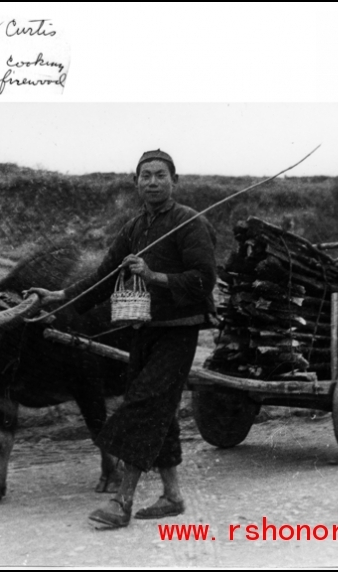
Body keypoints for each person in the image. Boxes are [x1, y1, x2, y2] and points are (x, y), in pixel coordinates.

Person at [28, 149, 217, 528]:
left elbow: (203, 280)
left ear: (174, 181)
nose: (151, 182)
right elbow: (102, 278)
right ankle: (173, 495)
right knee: (158, 409)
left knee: (143, 405)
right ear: (135, 182)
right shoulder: (134, 228)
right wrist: (61, 297)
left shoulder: (189, 223)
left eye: (159, 175)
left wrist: (154, 276)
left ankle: (122, 500)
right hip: (143, 330)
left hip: (179, 331)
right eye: (144, 175)